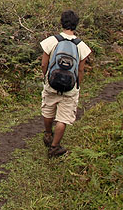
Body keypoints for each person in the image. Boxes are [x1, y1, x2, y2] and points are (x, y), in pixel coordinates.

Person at [40, 10, 91, 158]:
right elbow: (80, 70)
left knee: (48, 110)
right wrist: (77, 85)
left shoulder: (52, 41)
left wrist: (46, 78)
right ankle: (55, 147)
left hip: (51, 83)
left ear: (61, 22)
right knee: (63, 118)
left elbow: (44, 64)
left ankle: (48, 134)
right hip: (70, 88)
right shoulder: (82, 46)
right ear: (76, 25)